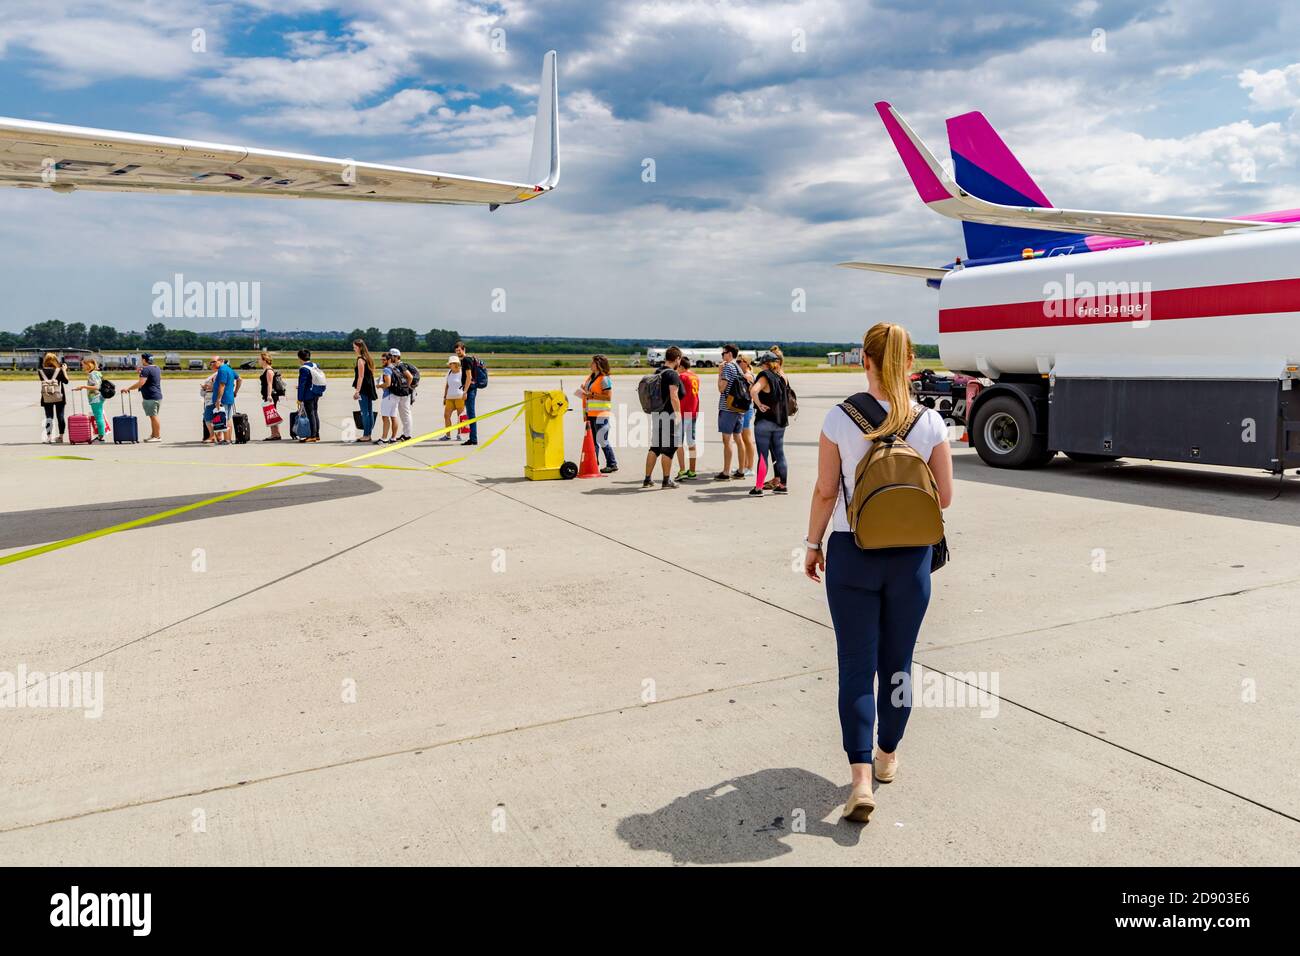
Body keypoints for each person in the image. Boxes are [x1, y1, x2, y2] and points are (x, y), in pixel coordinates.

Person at [803, 322, 954, 823]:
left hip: (852, 554)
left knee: (855, 667)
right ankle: (888, 755)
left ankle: (861, 779)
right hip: (911, 559)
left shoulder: (838, 418)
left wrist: (811, 544)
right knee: (898, 663)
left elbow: (826, 491)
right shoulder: (930, 422)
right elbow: (945, 499)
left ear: (863, 361)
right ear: (909, 364)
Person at [748, 351, 789, 496]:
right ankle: (783, 485)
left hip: (765, 421)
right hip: (780, 421)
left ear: (766, 364)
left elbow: (753, 391)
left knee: (763, 455)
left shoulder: (765, 376)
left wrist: (759, 404)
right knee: (780, 454)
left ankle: (759, 487)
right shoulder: (782, 376)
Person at [643, 346, 684, 489]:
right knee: (669, 448)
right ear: (677, 359)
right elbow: (674, 395)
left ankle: (647, 479)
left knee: (654, 447)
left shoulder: (658, 371)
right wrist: (678, 414)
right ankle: (666, 481)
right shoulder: (672, 374)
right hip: (669, 415)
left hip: (657, 414)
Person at [574, 354, 618, 473]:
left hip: (601, 414)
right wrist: (584, 390)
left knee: (602, 440)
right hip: (590, 413)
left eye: (592, 363)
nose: (590, 365)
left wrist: (591, 394)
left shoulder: (604, 379)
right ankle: (593, 463)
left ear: (598, 365)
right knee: (592, 441)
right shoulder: (590, 377)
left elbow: (608, 397)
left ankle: (612, 463)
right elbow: (589, 392)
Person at [714, 344, 746, 479]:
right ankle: (741, 470)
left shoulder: (727, 367)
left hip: (728, 408)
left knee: (727, 440)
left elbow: (721, 388)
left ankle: (726, 472)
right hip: (739, 407)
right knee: (738, 438)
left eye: (724, 353)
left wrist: (720, 372)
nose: (722, 355)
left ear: (730, 354)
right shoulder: (739, 368)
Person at [121, 351, 162, 442]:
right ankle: (153, 434)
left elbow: (141, 383)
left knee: (154, 416)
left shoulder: (146, 370)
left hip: (150, 396)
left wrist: (128, 388)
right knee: (153, 416)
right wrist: (141, 371)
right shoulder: (156, 368)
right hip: (156, 395)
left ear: (144, 360)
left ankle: (157, 436)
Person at [674, 356, 700, 480]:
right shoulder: (695, 376)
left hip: (684, 412)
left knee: (678, 443)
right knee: (691, 442)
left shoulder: (682, 377)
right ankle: (692, 470)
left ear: (681, 366)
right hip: (693, 412)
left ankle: (682, 469)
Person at [37, 352, 70, 443]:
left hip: (46, 396)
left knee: (49, 417)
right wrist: (64, 370)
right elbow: (66, 381)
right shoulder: (59, 370)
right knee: (60, 416)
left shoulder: (41, 371)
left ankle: (49, 437)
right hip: (59, 396)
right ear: (55, 360)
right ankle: (61, 436)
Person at [73, 356, 107, 442]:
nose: (82, 367)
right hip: (98, 397)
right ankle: (100, 435)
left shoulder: (93, 374)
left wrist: (83, 386)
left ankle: (101, 437)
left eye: (83, 365)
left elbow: (96, 386)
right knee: (98, 416)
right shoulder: (97, 373)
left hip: (96, 398)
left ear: (89, 365)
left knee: (98, 417)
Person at [454, 340, 481, 446]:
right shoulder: (466, 359)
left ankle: (473, 439)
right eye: (456, 351)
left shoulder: (466, 360)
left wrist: (465, 392)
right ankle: (472, 438)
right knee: (470, 415)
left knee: (471, 415)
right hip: (470, 389)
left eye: (459, 350)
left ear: (463, 349)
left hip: (470, 390)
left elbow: (469, 377)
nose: (458, 353)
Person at [209, 356, 240, 445]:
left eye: (214, 362)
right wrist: (235, 392)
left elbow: (222, 385)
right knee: (228, 418)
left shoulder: (222, 370)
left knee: (225, 419)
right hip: (229, 398)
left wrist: (218, 400)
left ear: (221, 361)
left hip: (223, 399)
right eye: (211, 362)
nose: (212, 364)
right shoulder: (229, 369)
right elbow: (239, 379)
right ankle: (228, 439)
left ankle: (227, 440)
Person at [351, 339, 377, 443]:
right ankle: (368, 433)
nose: (354, 349)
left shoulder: (360, 360)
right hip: (369, 387)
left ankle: (366, 435)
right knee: (369, 412)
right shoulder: (368, 358)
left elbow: (360, 377)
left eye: (355, 347)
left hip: (363, 389)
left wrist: (357, 391)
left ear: (360, 347)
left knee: (364, 412)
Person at [737, 353, 757, 477]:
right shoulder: (745, 374)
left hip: (746, 408)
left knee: (747, 438)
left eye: (740, 362)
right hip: (744, 408)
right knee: (742, 438)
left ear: (746, 362)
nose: (738, 364)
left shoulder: (748, 375)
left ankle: (750, 466)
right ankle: (744, 465)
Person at [296, 349, 322, 442]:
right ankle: (317, 434)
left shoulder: (303, 368)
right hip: (316, 392)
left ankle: (312, 435)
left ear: (300, 358)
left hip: (308, 394)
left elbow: (302, 385)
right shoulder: (315, 365)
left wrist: (299, 398)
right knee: (315, 412)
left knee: (310, 414)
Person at [389, 348, 414, 441]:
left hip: (404, 394)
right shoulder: (395, 366)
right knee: (403, 414)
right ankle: (405, 433)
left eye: (391, 356)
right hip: (401, 393)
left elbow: (410, 377)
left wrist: (405, 387)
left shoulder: (401, 365)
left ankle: (407, 435)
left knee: (405, 414)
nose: (390, 358)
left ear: (396, 357)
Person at [261, 350, 284, 441]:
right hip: (269, 396)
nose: (259, 361)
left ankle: (274, 434)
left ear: (264, 360)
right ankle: (276, 434)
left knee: (271, 415)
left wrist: (269, 395)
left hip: (271, 396)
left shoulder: (269, 371)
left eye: (260, 359)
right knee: (272, 415)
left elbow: (270, 384)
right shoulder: (267, 370)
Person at [441, 356, 465, 442]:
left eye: (451, 363)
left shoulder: (462, 373)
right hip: (449, 397)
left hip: (460, 397)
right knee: (446, 415)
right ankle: (448, 435)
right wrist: (444, 396)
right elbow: (447, 385)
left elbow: (466, 385)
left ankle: (459, 434)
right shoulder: (449, 372)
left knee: (460, 416)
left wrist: (465, 394)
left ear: (456, 364)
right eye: (450, 364)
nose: (450, 365)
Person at [377, 353, 400, 444]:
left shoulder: (387, 369)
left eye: (384, 360)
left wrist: (379, 385)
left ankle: (384, 438)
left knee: (385, 417)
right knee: (394, 416)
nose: (382, 361)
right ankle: (393, 438)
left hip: (388, 396)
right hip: (396, 395)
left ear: (389, 360)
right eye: (381, 359)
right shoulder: (395, 368)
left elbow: (388, 384)